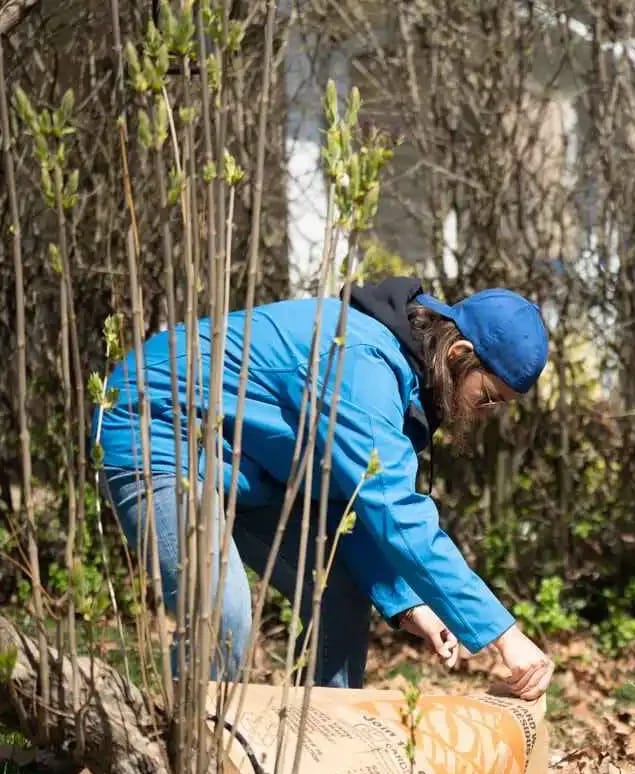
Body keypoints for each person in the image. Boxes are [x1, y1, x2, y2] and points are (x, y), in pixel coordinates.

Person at [94, 276, 555, 699]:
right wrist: (504, 636)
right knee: (223, 611)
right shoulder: (362, 362)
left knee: (336, 590)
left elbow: (348, 503)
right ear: (459, 354)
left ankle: (318, 753)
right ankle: (180, 765)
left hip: (246, 466)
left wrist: (409, 603)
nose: (484, 412)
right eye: (489, 396)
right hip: (155, 428)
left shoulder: (407, 381)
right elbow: (395, 510)